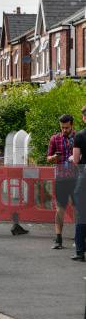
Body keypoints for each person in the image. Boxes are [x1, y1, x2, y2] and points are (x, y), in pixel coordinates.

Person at [47, 114, 76, 249]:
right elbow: (48, 158)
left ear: (72, 125)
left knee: (79, 209)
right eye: (62, 127)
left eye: (67, 127)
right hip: (61, 178)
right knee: (60, 209)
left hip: (77, 177)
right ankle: (58, 239)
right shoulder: (55, 138)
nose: (64, 130)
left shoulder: (79, 137)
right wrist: (54, 157)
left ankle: (79, 237)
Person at [71, 106, 86, 261]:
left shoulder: (80, 136)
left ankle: (80, 252)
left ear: (83, 118)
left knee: (82, 215)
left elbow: (75, 161)